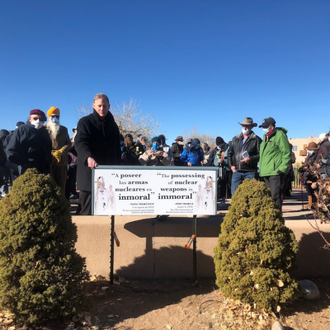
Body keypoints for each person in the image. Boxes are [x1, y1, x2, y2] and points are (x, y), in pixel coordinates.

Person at [75, 93, 121, 215]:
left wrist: (119, 166)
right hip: (89, 172)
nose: (102, 108)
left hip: (109, 174)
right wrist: (88, 157)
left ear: (109, 106)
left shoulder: (113, 125)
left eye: (104, 106)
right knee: (85, 211)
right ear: (93, 106)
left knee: (108, 210)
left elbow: (117, 148)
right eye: (99, 106)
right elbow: (80, 142)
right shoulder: (85, 122)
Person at [258, 117, 291, 211]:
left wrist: (282, 168)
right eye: (262, 127)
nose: (263, 129)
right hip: (265, 172)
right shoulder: (265, 138)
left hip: (275, 172)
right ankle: (270, 219)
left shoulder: (279, 135)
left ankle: (276, 218)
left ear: (271, 127)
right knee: (268, 197)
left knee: (275, 197)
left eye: (265, 126)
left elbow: (286, 152)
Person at [6, 109, 52, 175]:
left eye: (41, 119)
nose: (38, 121)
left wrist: (48, 161)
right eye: (35, 118)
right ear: (30, 119)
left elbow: (48, 148)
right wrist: (25, 163)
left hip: (44, 170)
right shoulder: (21, 130)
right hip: (26, 169)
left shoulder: (45, 132)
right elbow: (10, 151)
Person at [228, 117, 262, 196]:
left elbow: (260, 155)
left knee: (250, 194)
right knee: (234, 194)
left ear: (251, 127)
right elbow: (230, 154)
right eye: (243, 126)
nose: (245, 127)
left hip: (250, 171)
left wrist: (250, 159)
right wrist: (231, 166)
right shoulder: (235, 139)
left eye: (247, 126)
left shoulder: (256, 140)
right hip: (237, 171)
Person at [46, 106, 72, 193]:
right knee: (49, 185)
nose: (55, 118)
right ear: (49, 117)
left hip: (62, 161)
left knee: (61, 185)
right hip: (49, 162)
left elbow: (68, 143)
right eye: (52, 116)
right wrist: (50, 152)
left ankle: (61, 205)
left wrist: (61, 151)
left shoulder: (64, 129)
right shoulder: (44, 129)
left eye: (57, 116)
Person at [207, 137, 229, 207]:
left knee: (223, 184)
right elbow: (212, 159)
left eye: (220, 144)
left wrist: (224, 161)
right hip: (217, 168)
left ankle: (223, 199)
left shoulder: (227, 148)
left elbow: (229, 159)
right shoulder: (215, 150)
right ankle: (215, 198)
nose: (219, 146)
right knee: (216, 183)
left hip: (225, 168)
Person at [299, 142, 319, 210]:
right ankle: (310, 203)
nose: (310, 150)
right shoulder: (310, 155)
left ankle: (314, 204)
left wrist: (307, 167)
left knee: (313, 189)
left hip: (313, 173)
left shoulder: (316, 154)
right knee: (308, 188)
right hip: (308, 173)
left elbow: (313, 163)